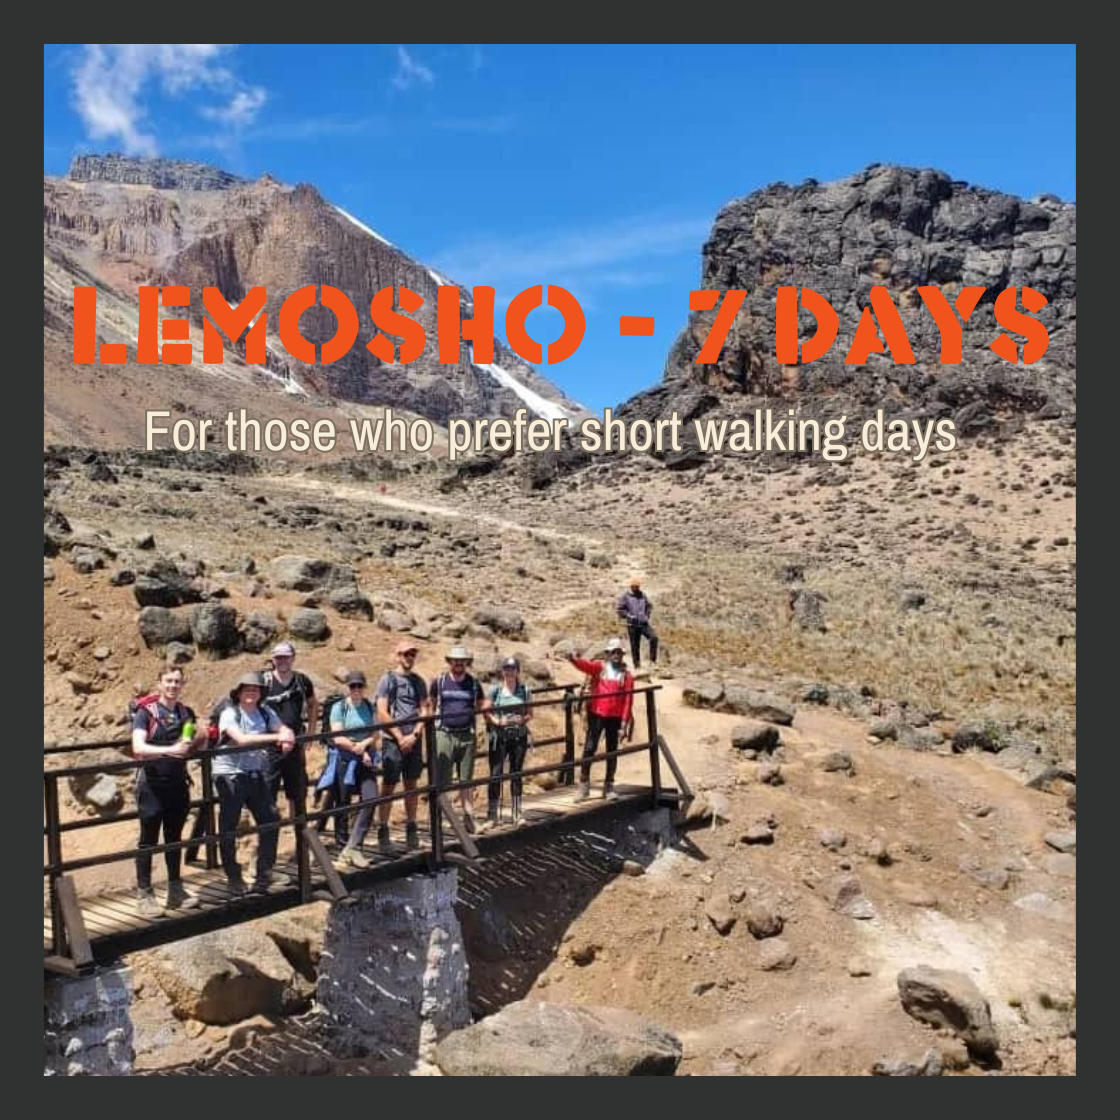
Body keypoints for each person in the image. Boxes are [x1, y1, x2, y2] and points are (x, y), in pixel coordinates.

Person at [128, 663, 208, 918]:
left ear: (182, 684)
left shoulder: (185, 712)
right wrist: (168, 751)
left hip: (177, 785)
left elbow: (192, 738)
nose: (173, 685)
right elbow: (138, 746)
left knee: (174, 838)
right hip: (151, 785)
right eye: (169, 681)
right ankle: (144, 895)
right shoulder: (146, 712)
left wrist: (194, 741)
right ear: (159, 683)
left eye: (177, 681)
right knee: (148, 840)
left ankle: (176, 890)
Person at [213, 671, 296, 895]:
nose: (252, 692)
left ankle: (264, 871)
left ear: (261, 693)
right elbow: (241, 739)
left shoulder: (265, 711)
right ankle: (233, 876)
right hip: (229, 774)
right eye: (247, 689)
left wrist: (287, 735)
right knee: (229, 825)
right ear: (239, 693)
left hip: (253, 772)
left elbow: (283, 728)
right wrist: (276, 738)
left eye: (256, 689)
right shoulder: (230, 714)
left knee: (270, 818)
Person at [374, 642, 431, 853]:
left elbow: (425, 709)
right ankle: (383, 829)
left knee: (411, 783)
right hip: (393, 740)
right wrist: (400, 737)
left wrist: (415, 734)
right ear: (397, 656)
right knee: (389, 784)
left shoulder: (418, 681)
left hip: (413, 739)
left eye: (412, 654)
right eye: (406, 654)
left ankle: (412, 827)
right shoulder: (387, 680)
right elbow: (382, 711)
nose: (409, 657)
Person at [567, 638, 635, 801]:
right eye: (613, 652)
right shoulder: (600, 668)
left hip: (615, 717)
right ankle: (583, 786)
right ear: (608, 654)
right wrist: (573, 660)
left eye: (619, 652)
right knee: (590, 748)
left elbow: (628, 700)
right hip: (597, 714)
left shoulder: (627, 676)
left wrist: (624, 722)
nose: (616, 655)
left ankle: (609, 786)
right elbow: (586, 666)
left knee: (612, 751)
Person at [430, 646, 488, 832]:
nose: (459, 664)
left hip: (466, 734)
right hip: (445, 733)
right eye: (456, 660)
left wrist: (490, 711)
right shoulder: (439, 682)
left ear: (466, 663)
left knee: (466, 780)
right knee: (442, 779)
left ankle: (469, 820)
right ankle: (438, 820)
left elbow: (481, 703)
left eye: (462, 661)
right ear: (450, 662)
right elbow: (430, 706)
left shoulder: (473, 683)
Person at [262, 641, 319, 818]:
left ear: (293, 658)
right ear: (273, 659)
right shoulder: (264, 681)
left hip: (295, 744)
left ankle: (299, 835)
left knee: (297, 791)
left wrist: (311, 732)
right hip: (270, 745)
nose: (282, 661)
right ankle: (269, 835)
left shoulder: (302, 681)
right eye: (278, 657)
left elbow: (312, 704)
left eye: (285, 657)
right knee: (268, 790)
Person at [481, 657, 533, 830]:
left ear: (518, 670)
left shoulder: (524, 690)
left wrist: (521, 720)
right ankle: (492, 814)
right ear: (503, 671)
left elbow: (529, 714)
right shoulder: (495, 689)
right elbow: (485, 710)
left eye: (512, 668)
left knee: (516, 773)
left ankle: (517, 813)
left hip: (518, 736)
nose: (509, 672)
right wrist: (497, 721)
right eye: (506, 668)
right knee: (496, 773)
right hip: (500, 737)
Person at [617, 578, 659, 671]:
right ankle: (637, 666)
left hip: (643, 623)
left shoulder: (642, 595)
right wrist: (629, 616)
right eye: (634, 586)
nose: (636, 588)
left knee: (654, 637)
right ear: (631, 587)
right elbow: (620, 609)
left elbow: (649, 606)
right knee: (635, 646)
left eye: (638, 586)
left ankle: (652, 661)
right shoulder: (626, 596)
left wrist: (647, 615)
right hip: (632, 625)